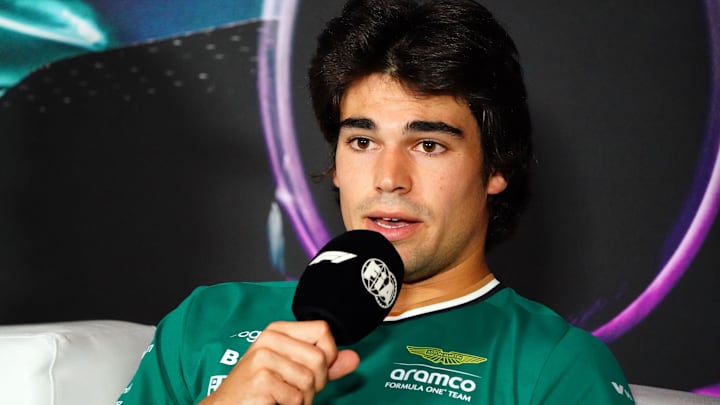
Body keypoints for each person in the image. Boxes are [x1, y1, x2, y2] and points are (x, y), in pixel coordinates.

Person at [117, 0, 635, 403]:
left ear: (496, 167)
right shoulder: (207, 319)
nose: (389, 178)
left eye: (428, 145)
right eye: (362, 142)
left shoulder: (555, 367)